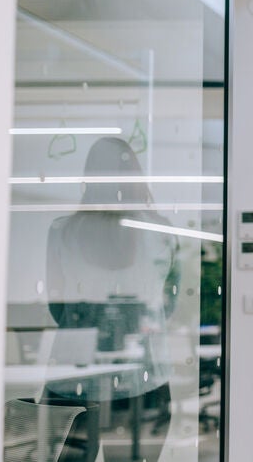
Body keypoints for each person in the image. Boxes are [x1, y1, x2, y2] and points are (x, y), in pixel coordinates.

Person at [44, 136, 179, 461]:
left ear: (90, 177)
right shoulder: (163, 232)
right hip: (143, 375)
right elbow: (167, 306)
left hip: (74, 375)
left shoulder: (63, 231)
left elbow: (57, 305)